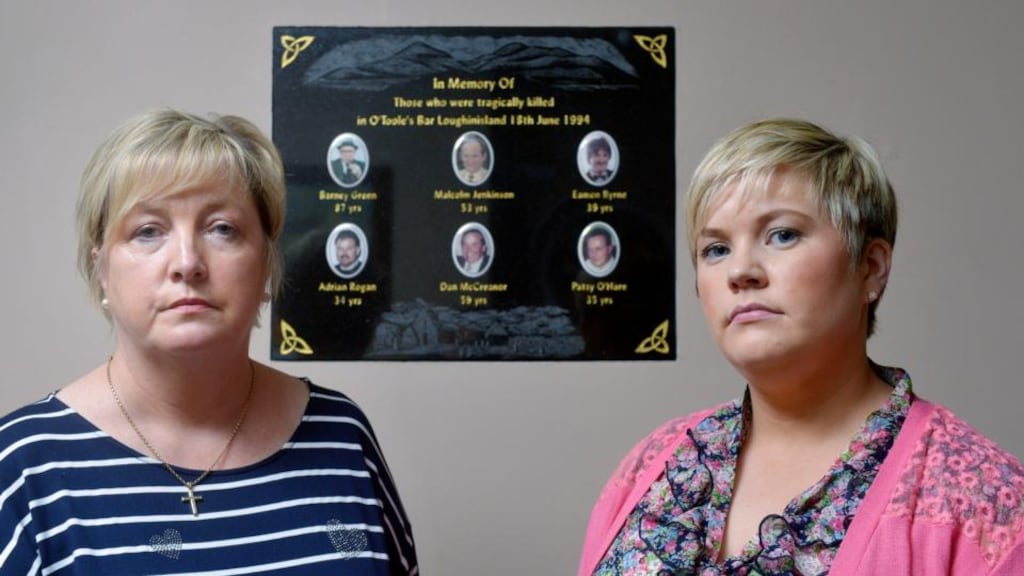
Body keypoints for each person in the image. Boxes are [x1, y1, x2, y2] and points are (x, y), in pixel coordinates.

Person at [579, 118, 1024, 575]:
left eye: (782, 235)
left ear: (870, 268)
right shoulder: (652, 464)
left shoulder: (983, 503)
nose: (741, 271)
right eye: (716, 249)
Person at [0, 110, 417, 575]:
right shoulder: (23, 466)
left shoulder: (342, 434)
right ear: (100, 268)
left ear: (265, 265)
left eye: (222, 228)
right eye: (148, 231)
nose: (187, 262)